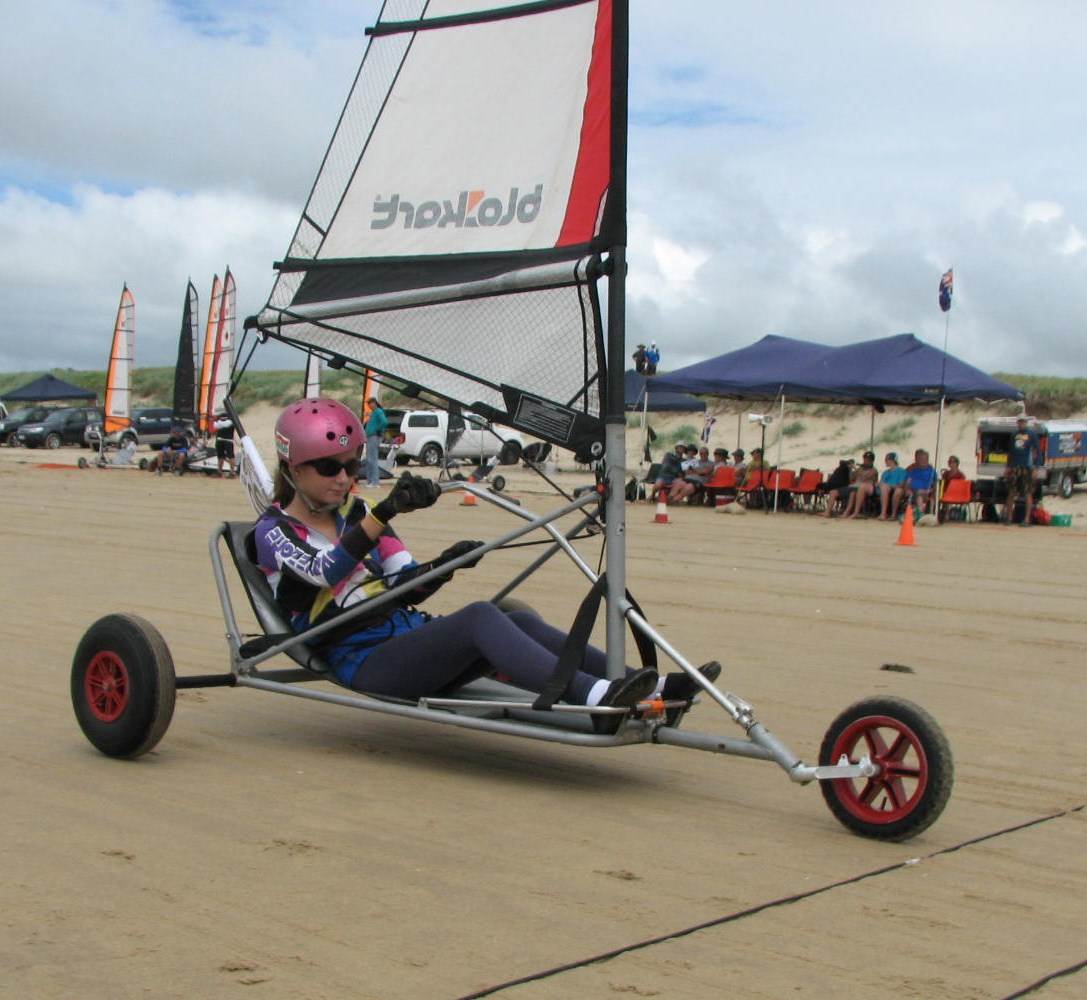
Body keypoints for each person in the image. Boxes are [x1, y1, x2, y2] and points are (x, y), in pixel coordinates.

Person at [252, 398, 718, 730]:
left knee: (515, 619)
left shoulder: (357, 513)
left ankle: (650, 686)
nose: (344, 478)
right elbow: (326, 571)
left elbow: (405, 585)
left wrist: (446, 565)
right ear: (293, 468)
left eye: (352, 466)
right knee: (479, 617)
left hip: (404, 637)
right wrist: (387, 511)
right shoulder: (273, 531)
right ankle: (593, 697)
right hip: (360, 659)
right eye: (329, 467)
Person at [1003, 416, 1041, 526]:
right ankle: (1009, 518)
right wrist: (1008, 467)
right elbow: (1010, 452)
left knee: (1028, 493)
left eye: (1023, 422)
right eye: (1019, 422)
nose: (1021, 424)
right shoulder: (1014, 435)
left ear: (1026, 423)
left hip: (1027, 467)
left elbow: (1038, 451)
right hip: (1015, 467)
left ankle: (1027, 519)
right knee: (1011, 492)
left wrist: (1036, 467)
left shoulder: (1031, 434)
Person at [840, 450, 879, 518]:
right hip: (855, 486)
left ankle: (848, 512)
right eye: (865, 460)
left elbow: (864, 478)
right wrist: (850, 469)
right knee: (836, 491)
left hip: (865, 487)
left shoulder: (874, 470)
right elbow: (851, 478)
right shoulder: (860, 469)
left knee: (853, 492)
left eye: (868, 460)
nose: (865, 462)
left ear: (872, 461)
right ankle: (845, 511)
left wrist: (856, 469)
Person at [363, 396, 387, 488]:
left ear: (374, 403)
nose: (369, 405)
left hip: (374, 436)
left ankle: (375, 482)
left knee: (372, 459)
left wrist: (377, 430)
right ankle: (370, 481)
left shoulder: (378, 411)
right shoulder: (374, 413)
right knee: (369, 459)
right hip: (370, 437)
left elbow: (384, 422)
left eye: (369, 403)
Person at [903, 448, 936, 514]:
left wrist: (931, 490)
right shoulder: (913, 470)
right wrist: (907, 489)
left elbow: (935, 484)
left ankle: (921, 513)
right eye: (921, 459)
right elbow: (908, 482)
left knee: (920, 495)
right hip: (914, 492)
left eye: (925, 459)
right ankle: (919, 512)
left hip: (927, 492)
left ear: (927, 460)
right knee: (919, 494)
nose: (923, 461)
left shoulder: (932, 471)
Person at [878, 452, 908, 520]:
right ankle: (883, 513)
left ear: (892, 460)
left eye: (886, 460)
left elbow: (901, 484)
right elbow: (881, 482)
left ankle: (893, 514)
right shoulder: (885, 472)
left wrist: (890, 486)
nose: (885, 461)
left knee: (898, 491)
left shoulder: (901, 471)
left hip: (898, 489)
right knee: (884, 488)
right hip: (886, 489)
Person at [213, 411, 236, 477]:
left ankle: (229, 472)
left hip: (224, 440)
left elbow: (216, 426)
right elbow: (216, 426)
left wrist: (219, 423)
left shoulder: (229, 417)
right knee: (225, 456)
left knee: (227, 456)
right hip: (224, 440)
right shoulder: (231, 418)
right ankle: (223, 472)